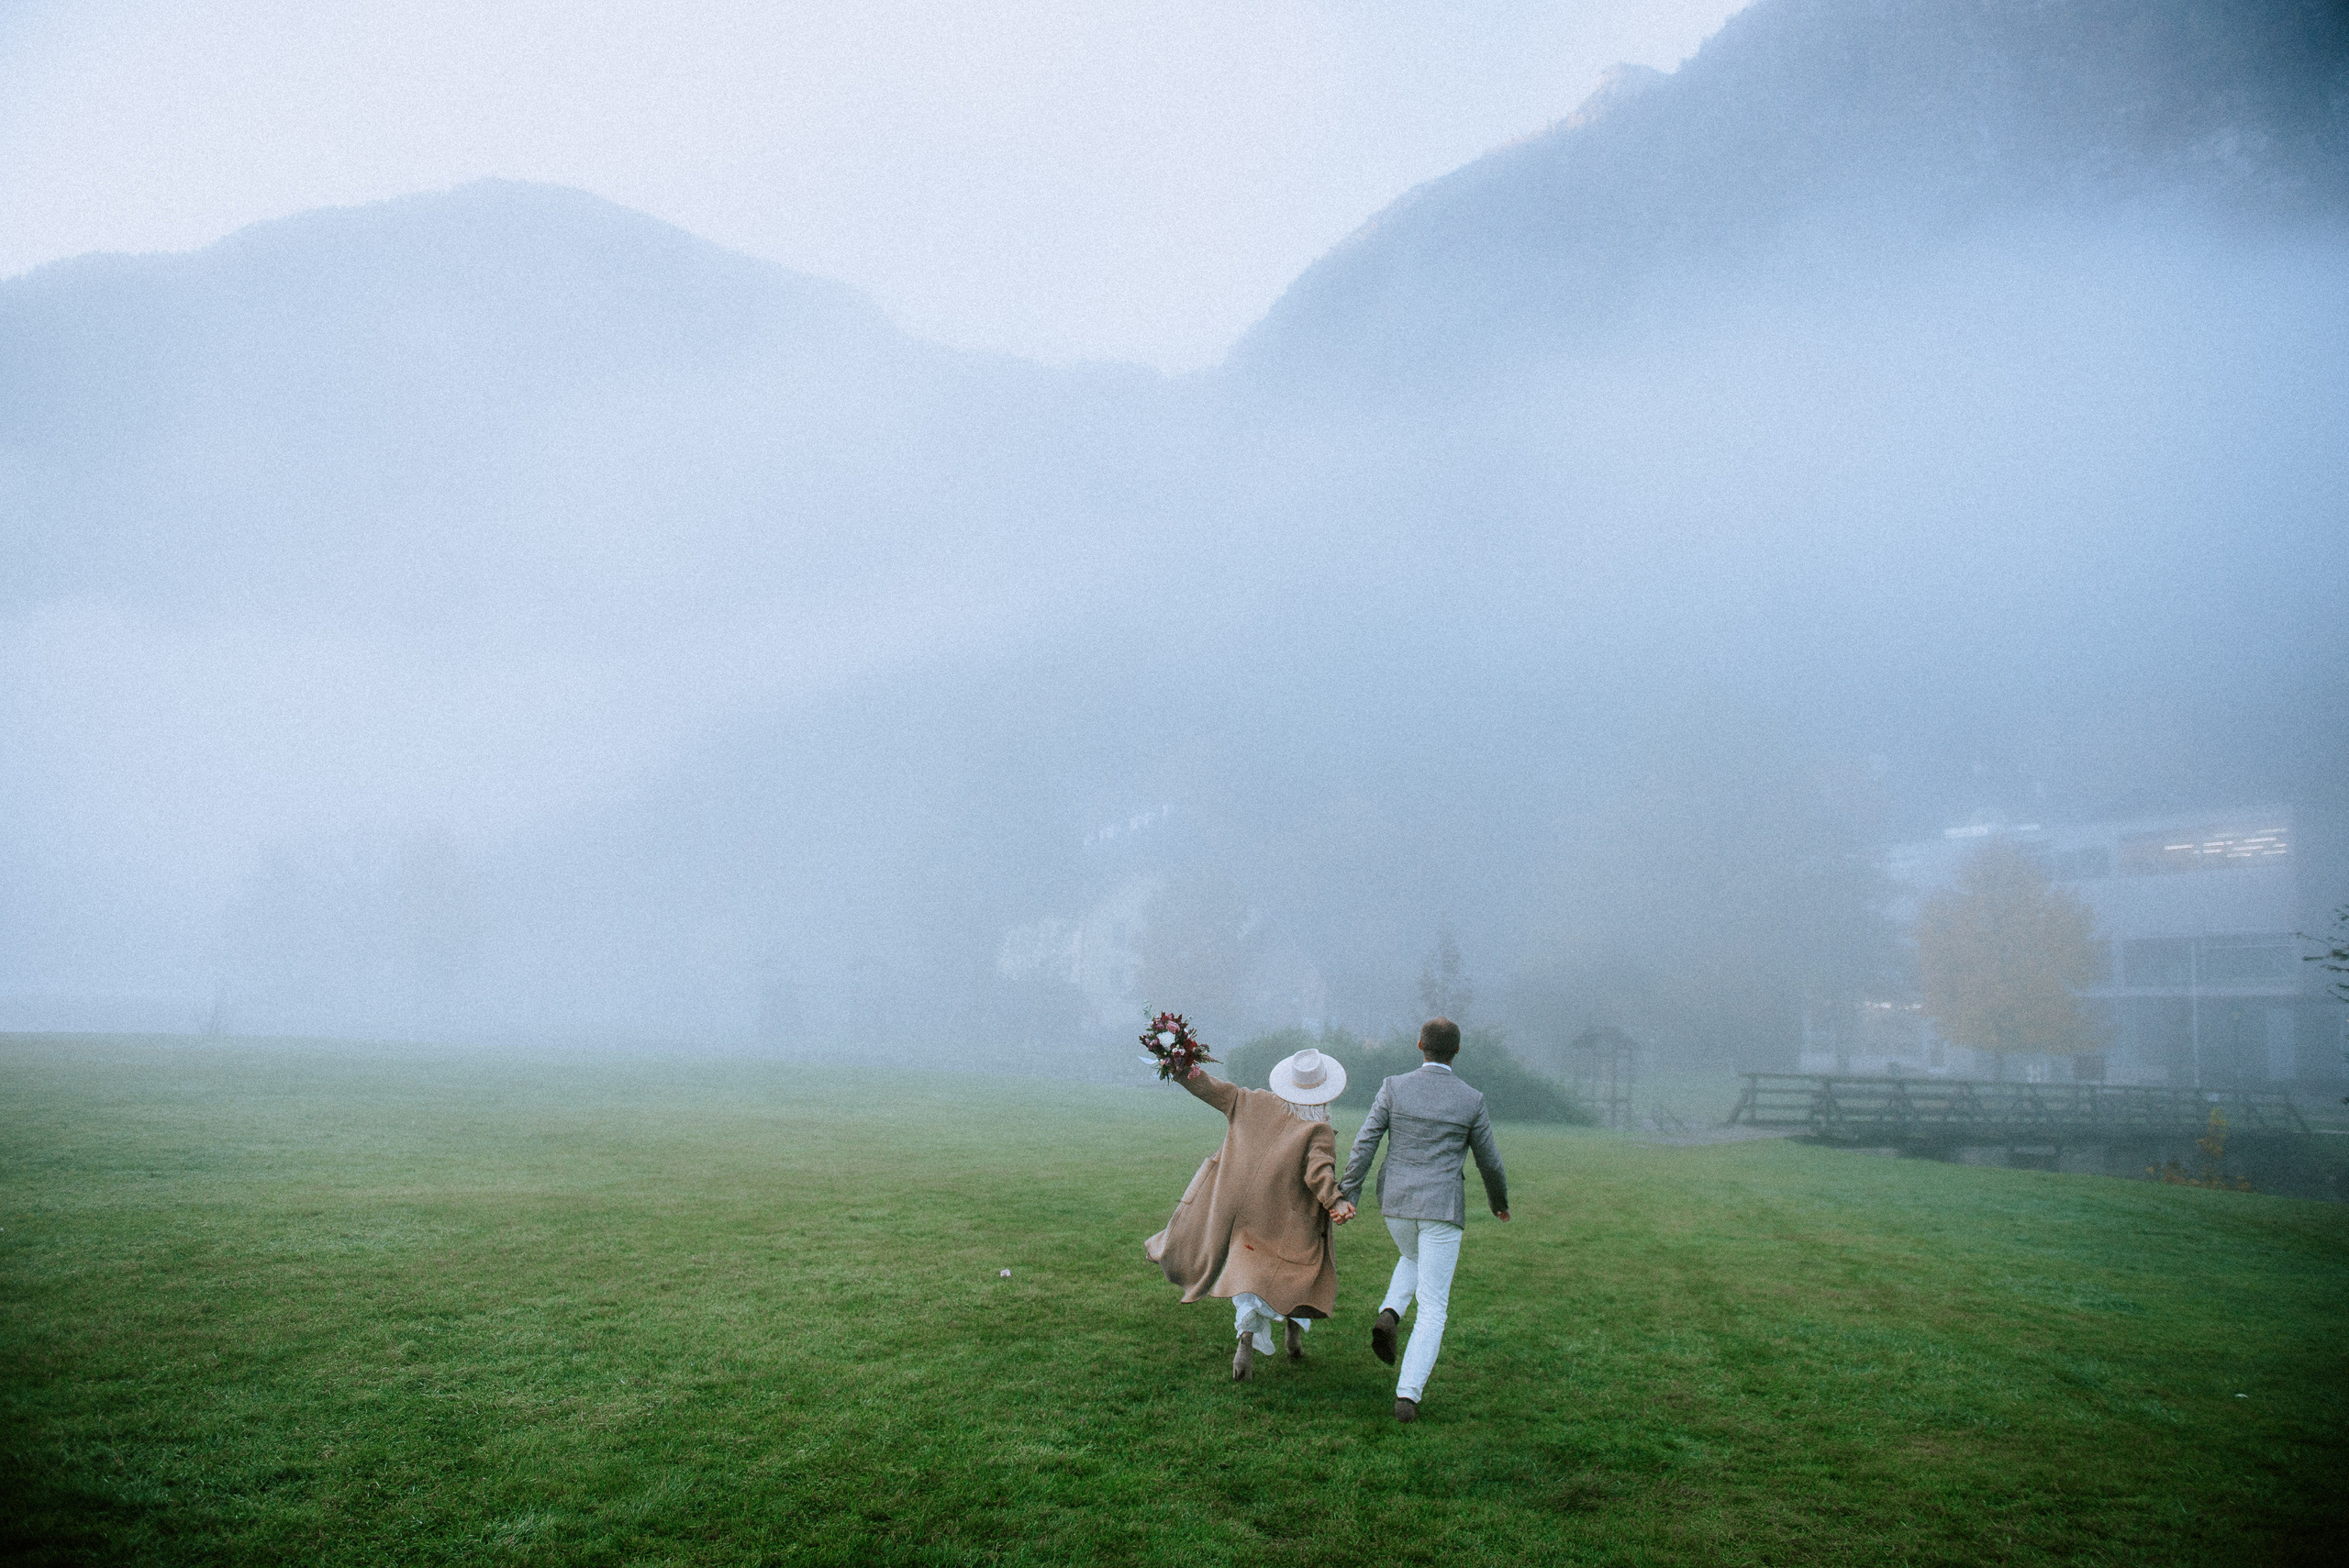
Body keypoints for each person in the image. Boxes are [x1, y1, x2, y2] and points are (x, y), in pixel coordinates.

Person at [1145, 1047, 1358, 1381]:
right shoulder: (1319, 1129)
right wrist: (1335, 1202)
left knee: (1248, 1277)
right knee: (1296, 1274)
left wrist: (1179, 1064)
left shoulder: (1250, 1101)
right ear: (1325, 1091)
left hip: (1243, 1214)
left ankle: (1248, 1338)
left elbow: (1210, 1088)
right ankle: (1293, 1333)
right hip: (1290, 1220)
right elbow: (1319, 1171)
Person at [1339, 1017, 1509, 1423]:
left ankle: (1391, 1312)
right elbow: (1490, 1162)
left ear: (1420, 1045)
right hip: (1442, 1208)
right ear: (1458, 1051)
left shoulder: (1393, 1087)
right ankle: (1408, 1396)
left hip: (1396, 1203)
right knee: (1434, 1306)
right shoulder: (1472, 1099)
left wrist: (1348, 1193)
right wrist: (1498, 1201)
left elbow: (1365, 1141)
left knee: (1412, 1257)